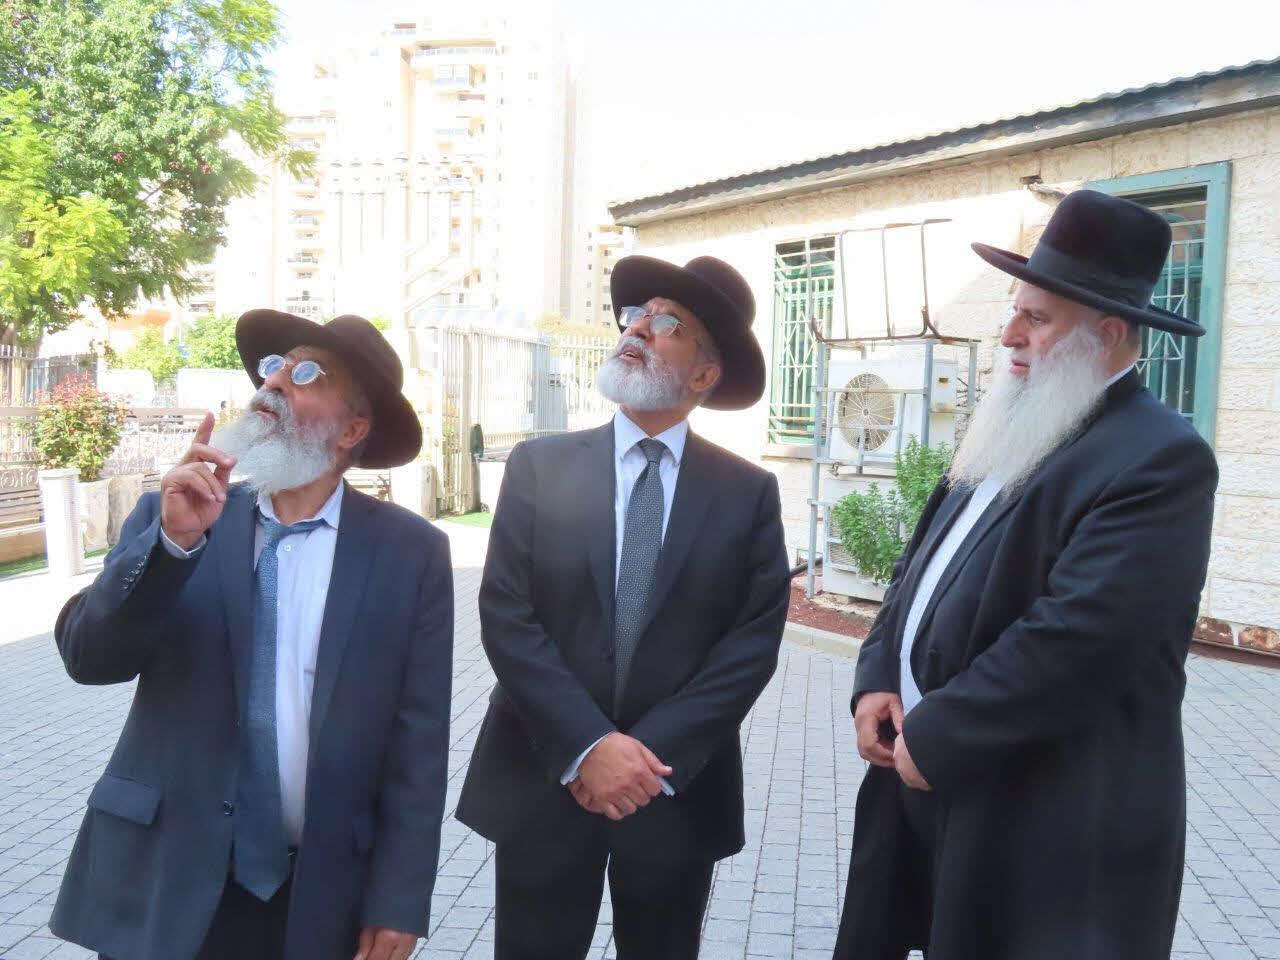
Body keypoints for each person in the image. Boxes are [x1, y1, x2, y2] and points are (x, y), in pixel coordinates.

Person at [833, 189, 1219, 960]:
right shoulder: (1015, 419)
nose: (1009, 333)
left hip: (1042, 816)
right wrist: (877, 673)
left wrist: (939, 733)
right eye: (1015, 311)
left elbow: (1083, 639)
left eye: (1037, 319)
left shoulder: (1160, 458)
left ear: (1107, 333)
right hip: (927, 780)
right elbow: (918, 567)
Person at [49, 311, 454, 960]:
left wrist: (400, 899)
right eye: (272, 367)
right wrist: (171, 546)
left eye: (308, 372)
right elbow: (90, 659)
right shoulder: (176, 515)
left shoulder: (411, 553)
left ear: (352, 429)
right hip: (168, 879)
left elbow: (418, 744)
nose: (274, 382)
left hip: (319, 890)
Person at [455, 256, 791, 959]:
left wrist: (643, 760)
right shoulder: (538, 467)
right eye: (635, 315)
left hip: (671, 792)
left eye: (666, 323)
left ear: (704, 374)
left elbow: (751, 644)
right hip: (545, 778)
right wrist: (588, 746)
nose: (636, 327)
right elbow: (507, 615)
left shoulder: (747, 493)